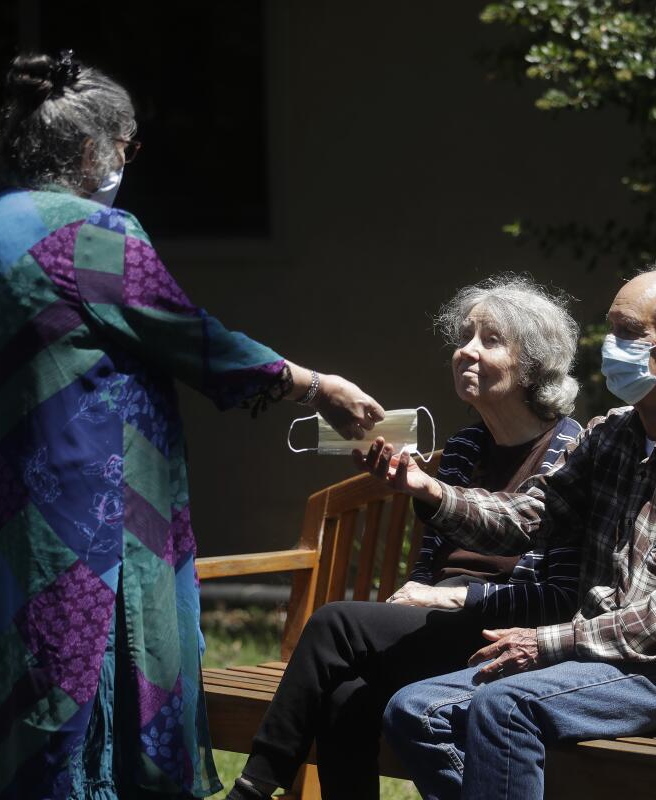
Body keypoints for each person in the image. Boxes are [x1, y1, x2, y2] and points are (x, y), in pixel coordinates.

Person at [0, 52, 383, 800]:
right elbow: (193, 338)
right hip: (82, 523)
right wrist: (313, 383)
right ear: (88, 150)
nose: (127, 160)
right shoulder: (91, 233)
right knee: (87, 708)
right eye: (127, 145)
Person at [368, 265, 656, 800]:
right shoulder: (610, 435)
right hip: (599, 662)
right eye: (610, 329)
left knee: (504, 707)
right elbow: (528, 521)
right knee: (414, 711)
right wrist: (429, 489)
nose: (611, 346)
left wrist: (549, 641)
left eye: (630, 333)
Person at [226, 275, 584, 800]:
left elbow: (557, 597)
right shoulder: (464, 448)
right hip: (442, 623)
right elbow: (429, 564)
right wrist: (417, 593)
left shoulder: (572, 451)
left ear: (533, 362)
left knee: (333, 623)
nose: (465, 351)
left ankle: (253, 788)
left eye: (490, 340)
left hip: (507, 630)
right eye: (464, 337)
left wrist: (453, 595)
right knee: (346, 693)